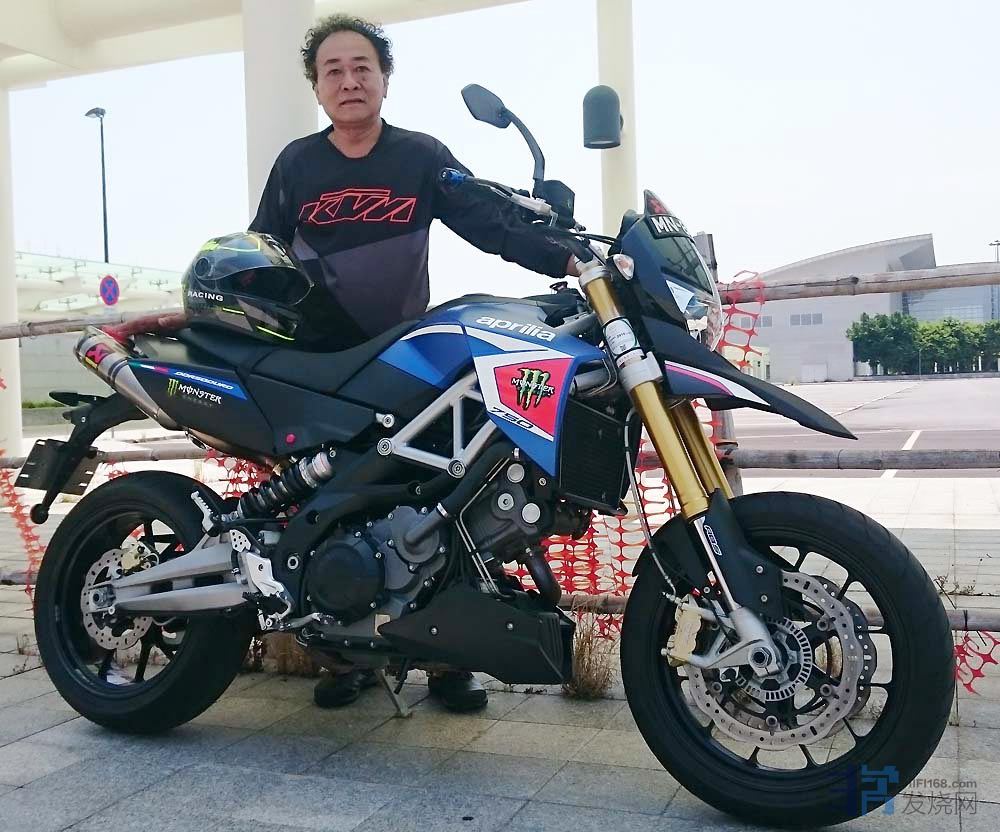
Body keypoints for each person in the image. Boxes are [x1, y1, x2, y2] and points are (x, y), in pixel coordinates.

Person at [249, 14, 578, 712]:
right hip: (321, 364)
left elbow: (490, 222)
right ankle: (341, 656)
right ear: (317, 86)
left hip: (409, 360)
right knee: (329, 507)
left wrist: (568, 256)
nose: (349, 80)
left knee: (437, 502)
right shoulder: (296, 166)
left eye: (362, 67)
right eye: (333, 70)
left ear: (385, 79)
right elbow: (261, 256)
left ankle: (448, 663)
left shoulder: (421, 156)